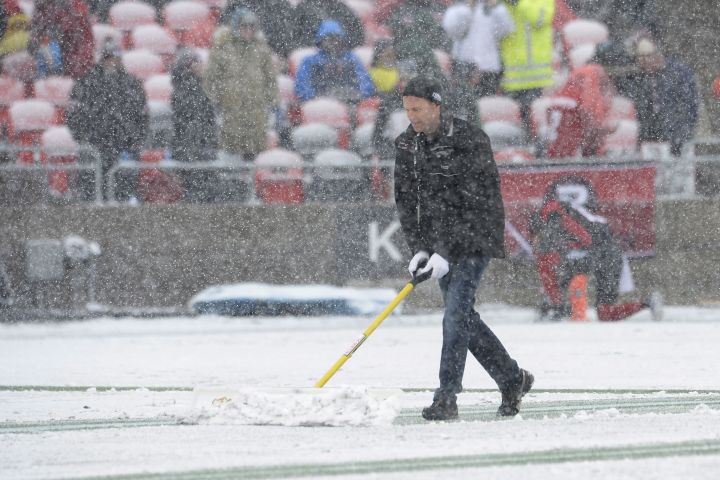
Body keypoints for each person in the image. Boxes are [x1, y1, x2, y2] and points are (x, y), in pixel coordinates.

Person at [394, 76, 533, 421]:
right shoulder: (406, 145)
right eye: (408, 109)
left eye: (419, 109)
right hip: (441, 242)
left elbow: (471, 201)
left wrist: (446, 250)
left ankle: (447, 396)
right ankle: (511, 378)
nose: (413, 116)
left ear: (436, 106)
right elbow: (407, 202)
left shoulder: (469, 139)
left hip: (476, 235)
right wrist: (421, 248)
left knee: (456, 313)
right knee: (464, 318)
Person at [529, 176, 662, 321]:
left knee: (604, 311)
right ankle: (557, 306)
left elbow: (586, 239)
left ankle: (647, 303)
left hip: (606, 255)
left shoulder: (556, 219)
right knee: (602, 311)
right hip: (602, 252)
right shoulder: (557, 219)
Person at [66, 39, 148, 201]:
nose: (113, 61)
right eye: (109, 57)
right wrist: (83, 137)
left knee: (123, 193)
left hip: (124, 147)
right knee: (94, 192)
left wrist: (137, 139)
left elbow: (143, 115)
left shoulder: (131, 84)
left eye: (116, 57)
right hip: (96, 147)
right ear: (103, 58)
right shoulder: (87, 82)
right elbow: (73, 114)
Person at [204, 8, 279, 162]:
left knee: (256, 154)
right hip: (231, 111)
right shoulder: (222, 49)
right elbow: (210, 79)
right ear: (235, 27)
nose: (248, 30)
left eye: (252, 27)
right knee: (232, 154)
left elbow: (270, 79)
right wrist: (216, 101)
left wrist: (273, 102)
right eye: (244, 26)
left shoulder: (262, 50)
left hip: (256, 112)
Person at [442, 0, 514, 123]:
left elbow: (507, 29)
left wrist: (495, 7)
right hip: (464, 67)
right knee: (463, 110)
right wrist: (468, 9)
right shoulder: (457, 8)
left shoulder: (493, 8)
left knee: (487, 111)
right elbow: (453, 29)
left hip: (489, 70)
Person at [629, 37, 698, 156]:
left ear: (658, 55)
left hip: (677, 135)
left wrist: (681, 133)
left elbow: (690, 105)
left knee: (679, 169)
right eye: (640, 60)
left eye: (647, 58)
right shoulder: (642, 77)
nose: (644, 64)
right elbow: (642, 109)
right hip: (651, 137)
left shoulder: (679, 73)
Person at [500, 0, 555, 143]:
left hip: (538, 79)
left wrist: (520, 2)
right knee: (513, 128)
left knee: (537, 126)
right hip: (512, 77)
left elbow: (539, 19)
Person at [294, 20, 375, 103]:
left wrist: (359, 96)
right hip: (320, 102)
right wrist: (313, 98)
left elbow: (365, 81)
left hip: (350, 100)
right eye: (328, 38)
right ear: (321, 40)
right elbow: (302, 83)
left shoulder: (352, 59)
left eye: (336, 38)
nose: (333, 42)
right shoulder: (310, 61)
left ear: (342, 40)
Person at [545, 63, 615, 159]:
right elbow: (586, 110)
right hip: (571, 152)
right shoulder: (592, 73)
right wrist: (599, 132)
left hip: (555, 152)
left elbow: (548, 112)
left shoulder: (573, 80)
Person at [170, 49, 217, 163]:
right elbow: (189, 119)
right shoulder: (187, 89)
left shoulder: (201, 87)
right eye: (197, 63)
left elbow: (208, 118)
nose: (201, 67)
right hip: (191, 146)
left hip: (201, 145)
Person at [28, 0, 95, 79]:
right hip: (60, 56)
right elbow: (37, 30)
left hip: (75, 59)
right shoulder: (42, 6)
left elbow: (80, 33)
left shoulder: (73, 6)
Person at [386, 0, 449, 82]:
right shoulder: (401, 10)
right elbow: (391, 32)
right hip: (402, 56)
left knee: (433, 80)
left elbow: (436, 35)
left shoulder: (430, 10)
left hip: (423, 54)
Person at [293, 0, 365, 50]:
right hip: (313, 54)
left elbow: (357, 35)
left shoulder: (343, 8)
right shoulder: (303, 8)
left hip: (341, 56)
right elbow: (294, 35)